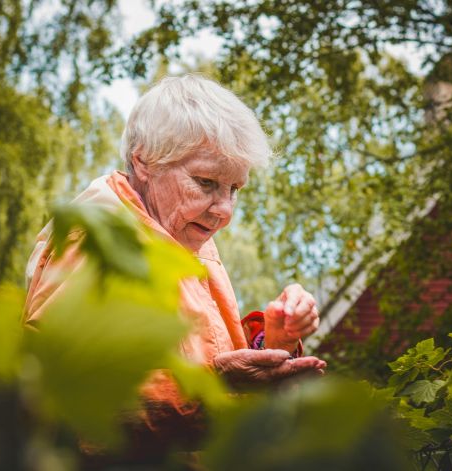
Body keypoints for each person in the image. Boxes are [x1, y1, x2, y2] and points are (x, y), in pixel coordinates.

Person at [23, 74, 326, 458]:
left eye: (235, 189)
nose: (224, 211)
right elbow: (62, 402)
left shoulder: (183, 235)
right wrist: (213, 385)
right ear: (144, 160)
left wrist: (273, 340)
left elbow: (200, 357)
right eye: (206, 182)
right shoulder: (96, 243)